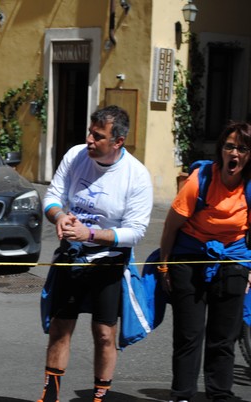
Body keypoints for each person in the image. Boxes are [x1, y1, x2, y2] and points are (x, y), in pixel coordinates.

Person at [38, 105, 153, 402]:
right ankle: (50, 395)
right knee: (61, 327)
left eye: (98, 136)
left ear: (118, 142)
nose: (89, 139)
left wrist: (90, 234)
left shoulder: (136, 175)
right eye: (90, 132)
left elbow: (135, 232)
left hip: (109, 262)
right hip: (72, 256)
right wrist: (59, 216)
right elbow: (52, 196)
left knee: (104, 333)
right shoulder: (76, 155)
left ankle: (99, 395)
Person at [158, 122, 251, 402]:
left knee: (224, 338)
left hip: (233, 260)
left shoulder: (250, 187)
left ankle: (220, 394)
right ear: (221, 150)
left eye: (243, 148)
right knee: (189, 334)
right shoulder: (199, 181)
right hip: (189, 258)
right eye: (229, 146)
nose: (234, 153)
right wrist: (164, 266)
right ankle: (182, 395)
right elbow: (170, 227)